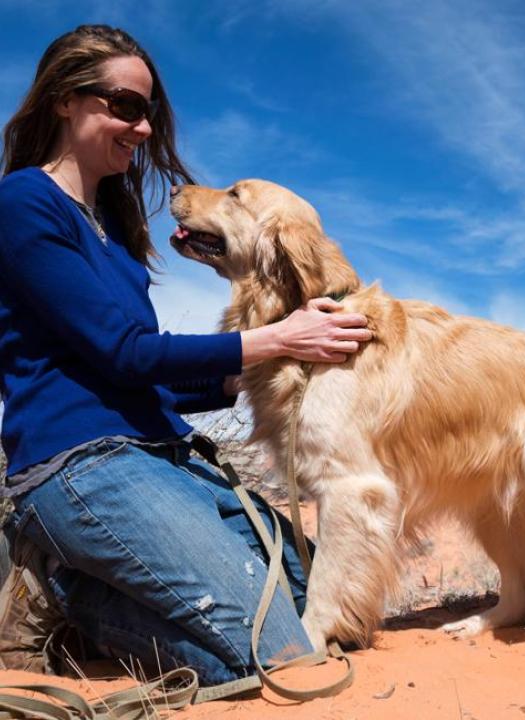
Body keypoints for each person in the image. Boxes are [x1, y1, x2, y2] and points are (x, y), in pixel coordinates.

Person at [0, 24, 371, 685]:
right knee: (283, 653)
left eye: (149, 113)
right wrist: (279, 338)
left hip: (168, 457)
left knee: (317, 599)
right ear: (63, 99)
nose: (143, 128)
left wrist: (249, 372)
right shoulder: (26, 203)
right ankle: (65, 593)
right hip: (81, 464)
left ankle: (100, 578)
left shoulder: (114, 233)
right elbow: (126, 353)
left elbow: (139, 380)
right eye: (126, 106)